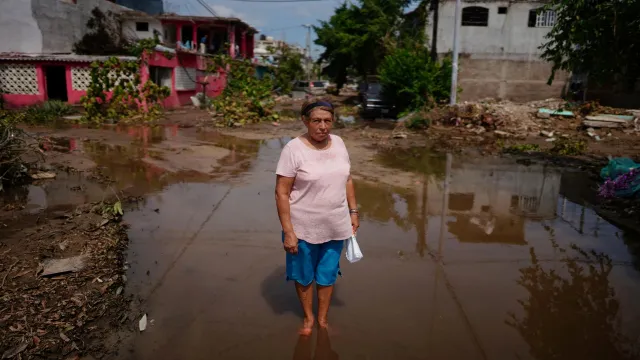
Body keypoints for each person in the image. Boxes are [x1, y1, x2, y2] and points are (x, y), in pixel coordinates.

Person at [275, 98, 360, 335]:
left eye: (327, 121)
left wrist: (353, 212)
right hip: (302, 227)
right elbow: (281, 192)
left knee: (327, 274)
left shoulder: (340, 143)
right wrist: (289, 231)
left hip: (336, 225)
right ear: (305, 121)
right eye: (316, 121)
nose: (323, 126)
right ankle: (308, 318)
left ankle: (322, 319)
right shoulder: (293, 149)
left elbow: (348, 179)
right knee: (303, 276)